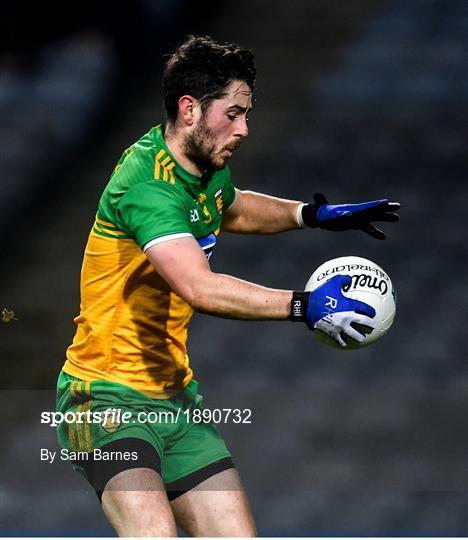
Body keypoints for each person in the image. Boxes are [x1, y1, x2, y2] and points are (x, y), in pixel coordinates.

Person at [55, 35, 400, 537]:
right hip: (105, 400)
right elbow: (200, 287)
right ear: (190, 109)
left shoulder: (201, 168)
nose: (244, 129)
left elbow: (230, 205)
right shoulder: (147, 187)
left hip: (175, 400)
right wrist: (303, 306)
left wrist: (310, 215)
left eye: (247, 114)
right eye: (234, 114)